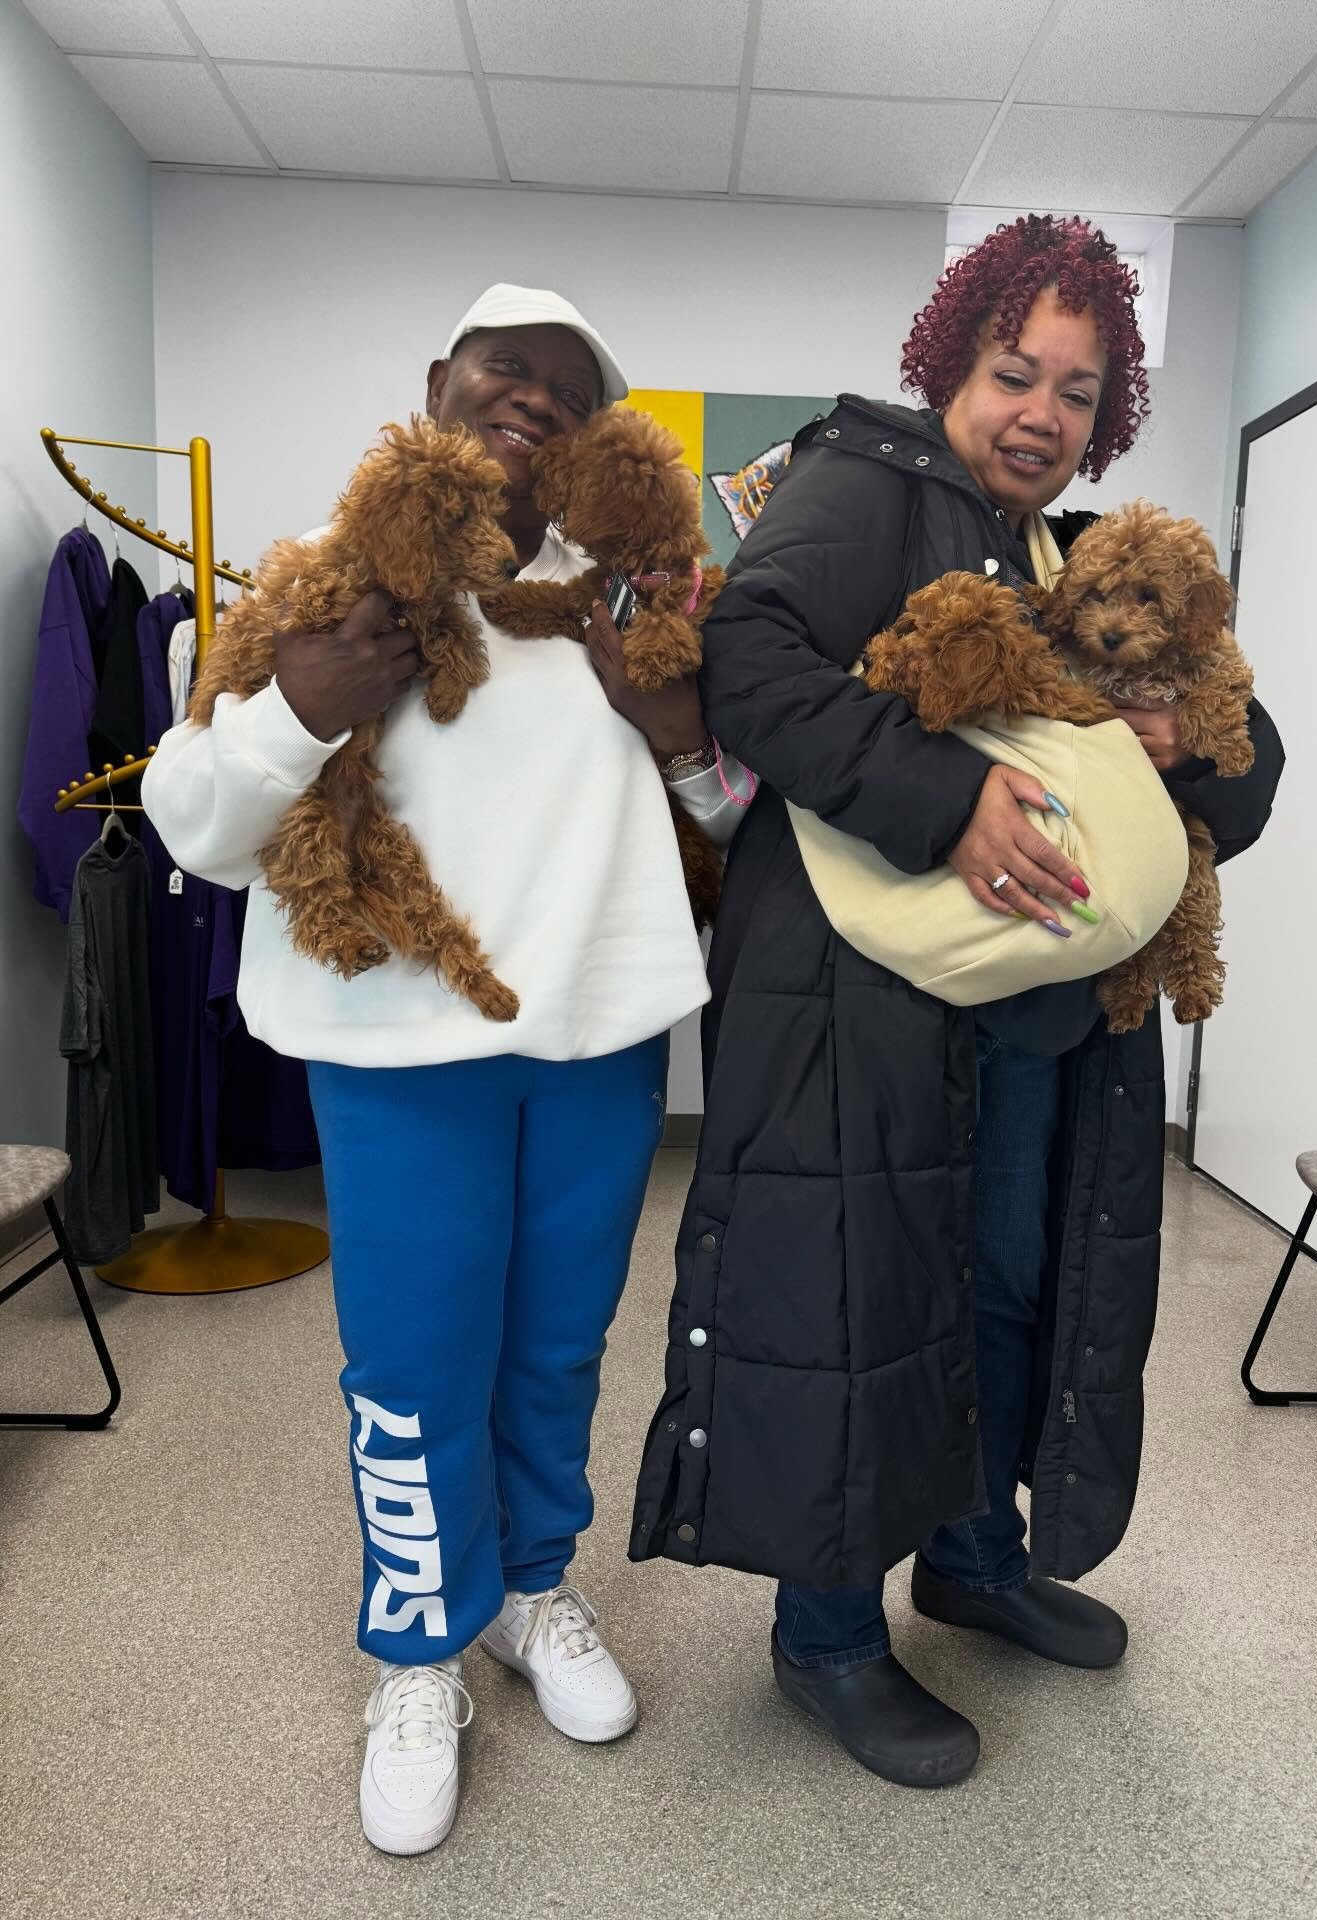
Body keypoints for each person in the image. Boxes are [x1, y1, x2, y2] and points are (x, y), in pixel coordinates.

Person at [630, 218, 1285, 1787]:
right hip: (858, 1011)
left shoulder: (1085, 555)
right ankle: (829, 1637)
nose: (1039, 416)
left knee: (1006, 1292)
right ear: (951, 365)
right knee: (863, 1301)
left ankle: (975, 1561)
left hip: (1045, 1029)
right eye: (1014, 374)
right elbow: (752, 665)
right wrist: (948, 802)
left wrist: (1189, 749)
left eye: (1078, 391)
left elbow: (1249, 756)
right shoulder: (863, 488)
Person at [145, 284, 750, 1855]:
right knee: (413, 1374)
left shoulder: (627, 604)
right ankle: (417, 1648)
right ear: (438, 383)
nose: (535, 400)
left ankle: (530, 1591)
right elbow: (193, 829)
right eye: (507, 369)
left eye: (570, 388)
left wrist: (673, 717)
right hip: (401, 1054)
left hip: (601, 1047)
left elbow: (732, 813)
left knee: (556, 1350)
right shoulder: (321, 580)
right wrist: (297, 706)